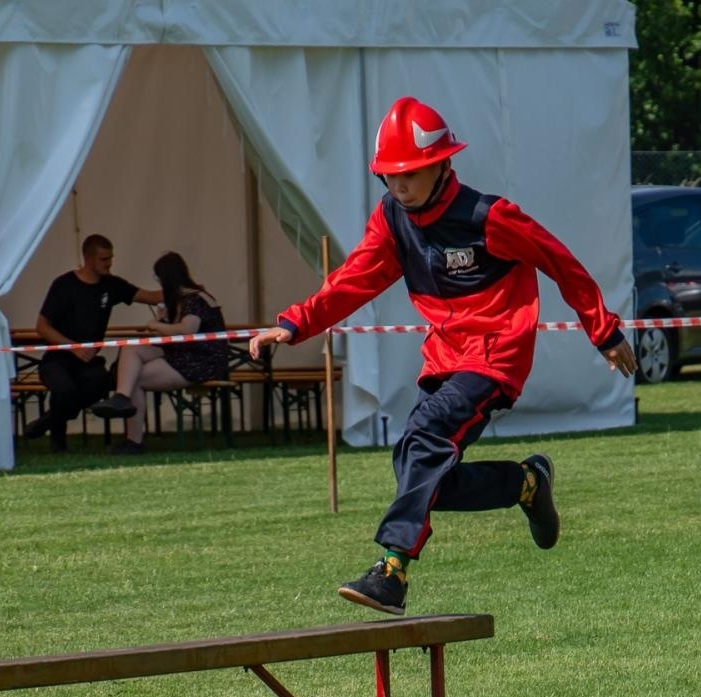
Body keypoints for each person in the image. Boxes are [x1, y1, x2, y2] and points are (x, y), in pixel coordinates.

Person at [248, 96, 637, 615]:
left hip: (496, 356)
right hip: (444, 359)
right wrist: (295, 323)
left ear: (441, 164)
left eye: (410, 174)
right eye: (390, 175)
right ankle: (526, 484)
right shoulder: (391, 218)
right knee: (418, 469)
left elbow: (561, 262)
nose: (399, 186)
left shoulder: (490, 217)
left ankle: (392, 570)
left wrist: (603, 329)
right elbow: (355, 279)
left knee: (426, 437)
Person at [27, 234, 162, 451]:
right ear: (89, 259)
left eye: (111, 258)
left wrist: (183, 290)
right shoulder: (63, 285)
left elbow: (151, 297)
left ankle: (47, 421)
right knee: (64, 389)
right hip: (59, 358)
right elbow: (42, 327)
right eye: (104, 259)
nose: (109, 263)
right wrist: (75, 347)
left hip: (90, 361)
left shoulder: (112, 285)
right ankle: (57, 442)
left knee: (100, 383)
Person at [90, 252, 232, 453]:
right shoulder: (184, 298)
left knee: (135, 378)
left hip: (200, 361)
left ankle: (134, 441)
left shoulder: (195, 298)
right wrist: (163, 319)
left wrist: (156, 325)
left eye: (159, 279)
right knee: (131, 348)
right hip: (183, 354)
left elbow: (186, 330)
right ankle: (121, 397)